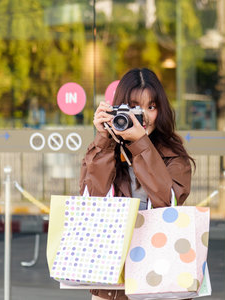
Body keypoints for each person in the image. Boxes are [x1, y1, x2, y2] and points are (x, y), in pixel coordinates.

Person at [79, 68, 195, 300]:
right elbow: (92, 201)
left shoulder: (174, 156)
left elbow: (166, 203)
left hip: (160, 273)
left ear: (160, 109)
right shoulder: (104, 151)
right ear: (119, 109)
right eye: (134, 107)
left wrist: (140, 143)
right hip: (112, 278)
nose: (142, 116)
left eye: (151, 107)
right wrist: (104, 141)